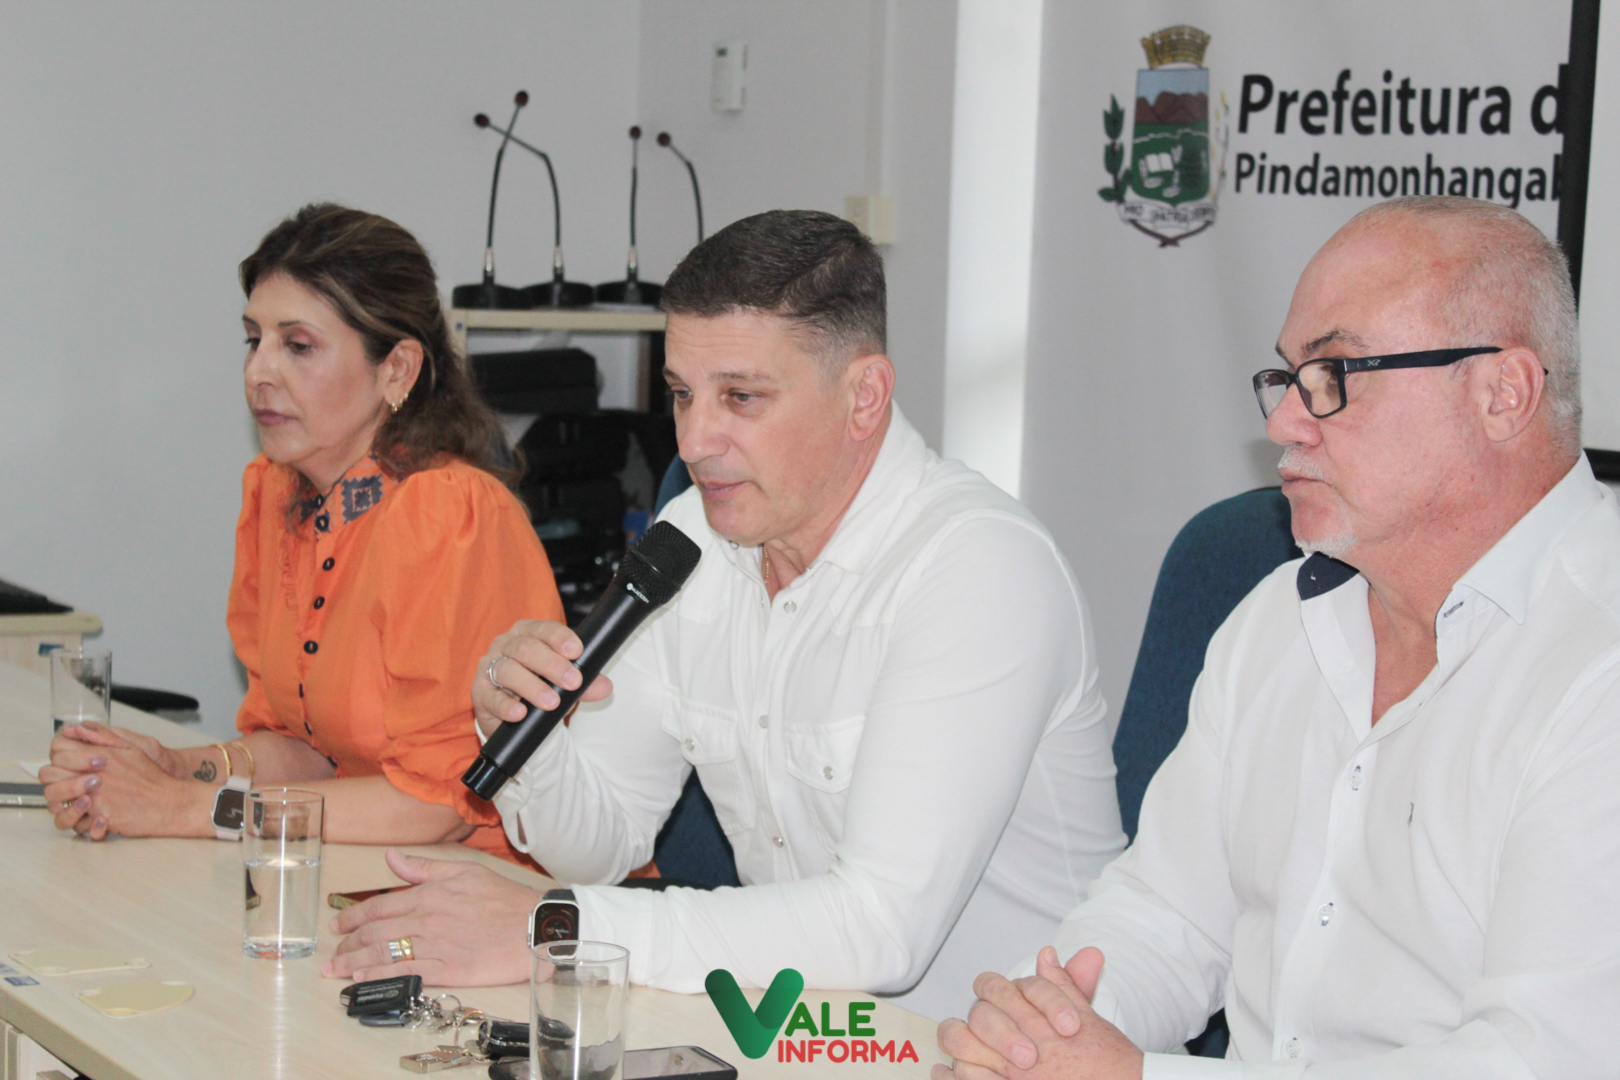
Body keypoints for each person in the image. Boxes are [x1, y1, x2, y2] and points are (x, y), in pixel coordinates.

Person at [324, 209, 1126, 1020]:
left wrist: (553, 926)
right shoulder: (691, 539)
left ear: (864, 397)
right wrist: (526, 732)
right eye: (681, 394)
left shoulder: (979, 567)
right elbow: (602, 844)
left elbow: (882, 931)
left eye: (742, 397)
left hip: (996, 1050)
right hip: (801, 1030)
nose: (695, 441)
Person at [936, 195, 1620, 1079]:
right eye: (1287, 377)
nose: (1283, 423)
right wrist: (1048, 1035)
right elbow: (1164, 915)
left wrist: (1137, 1078)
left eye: (1333, 374)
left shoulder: (1597, 659)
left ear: (1503, 394)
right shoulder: (1277, 616)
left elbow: (1544, 1059)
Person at [40, 204, 564, 866]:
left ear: (397, 370)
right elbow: (306, 749)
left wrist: (186, 807)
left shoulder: (449, 514)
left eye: (298, 345)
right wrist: (174, 766)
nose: (259, 372)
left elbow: (441, 806)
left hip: (493, 883)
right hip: (357, 864)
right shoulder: (278, 492)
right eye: (253, 339)